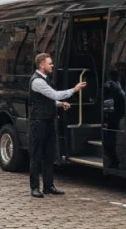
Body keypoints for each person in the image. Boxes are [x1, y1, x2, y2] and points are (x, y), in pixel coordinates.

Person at [28, 53, 86, 198]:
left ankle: (49, 186)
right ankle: (35, 187)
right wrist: (74, 89)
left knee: (49, 154)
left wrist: (60, 104)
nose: (52, 65)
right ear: (41, 65)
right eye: (50, 63)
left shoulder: (45, 79)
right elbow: (54, 94)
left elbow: (48, 99)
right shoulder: (37, 81)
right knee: (36, 155)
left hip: (48, 120)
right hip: (38, 121)